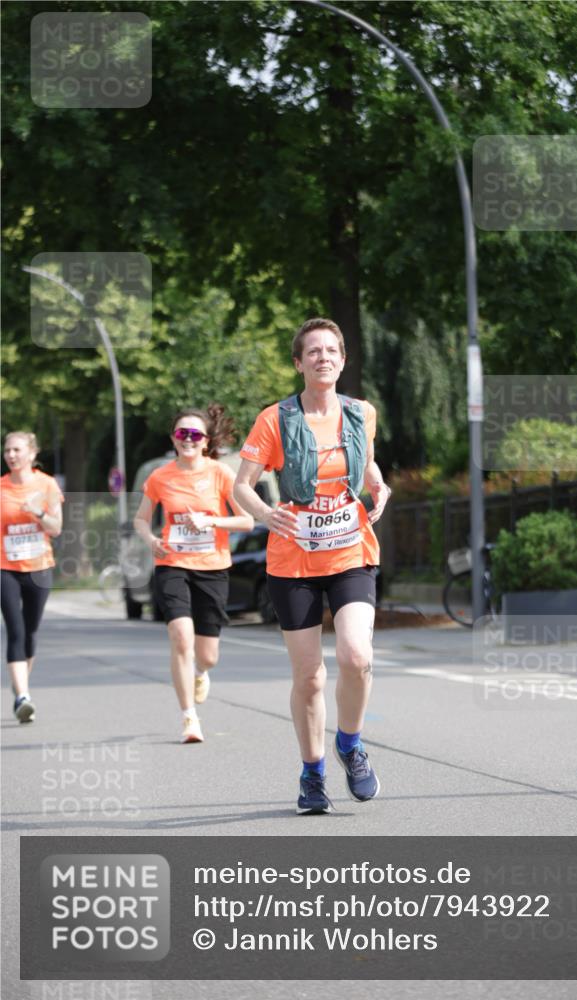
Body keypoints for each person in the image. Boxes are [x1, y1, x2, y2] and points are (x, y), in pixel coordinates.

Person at [234, 317, 391, 814]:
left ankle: (350, 743)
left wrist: (378, 485)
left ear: (342, 360)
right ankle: (313, 772)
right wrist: (264, 513)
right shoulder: (274, 420)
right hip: (293, 558)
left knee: (356, 657)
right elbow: (242, 484)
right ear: (299, 363)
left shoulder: (362, 412)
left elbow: (365, 464)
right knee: (310, 677)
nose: (324, 357)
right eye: (313, 351)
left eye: (332, 351)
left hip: (350, 551)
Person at [134, 404, 253, 744]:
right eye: (182, 433)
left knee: (208, 655)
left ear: (205, 440)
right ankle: (189, 718)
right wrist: (151, 539)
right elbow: (141, 519)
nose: (188, 439)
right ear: (174, 438)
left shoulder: (221, 473)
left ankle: (200, 672)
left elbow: (246, 520)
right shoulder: (160, 477)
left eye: (195, 434)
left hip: (213, 567)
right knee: (181, 637)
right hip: (172, 563)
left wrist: (212, 521)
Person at [1, 431, 64, 723]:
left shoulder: (46, 484)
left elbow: (56, 528)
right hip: (6, 568)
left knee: (30, 630)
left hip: (39, 567)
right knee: (14, 629)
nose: (11, 455)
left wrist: (37, 511)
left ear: (32, 454)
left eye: (17, 450)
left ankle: (20, 686)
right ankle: (23, 696)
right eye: (7, 450)